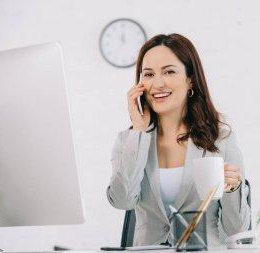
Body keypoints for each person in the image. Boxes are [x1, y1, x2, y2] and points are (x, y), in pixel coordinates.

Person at [107, 33, 250, 246]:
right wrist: (138, 129)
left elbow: (236, 230)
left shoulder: (221, 140)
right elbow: (122, 201)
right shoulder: (129, 141)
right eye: (148, 74)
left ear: (190, 78)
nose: (158, 83)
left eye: (169, 72)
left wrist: (234, 189)